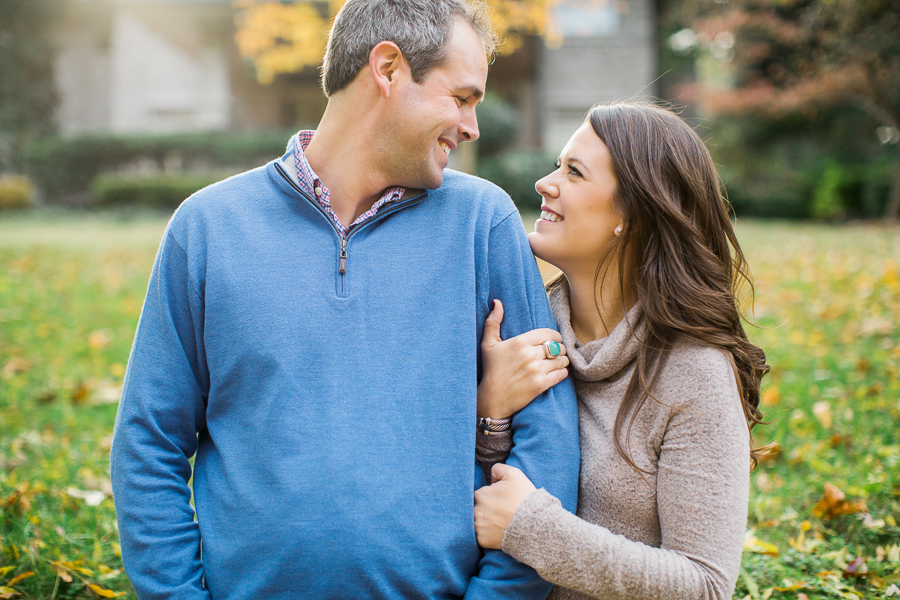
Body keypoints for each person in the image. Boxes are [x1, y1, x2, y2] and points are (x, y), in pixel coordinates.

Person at [109, 1, 580, 598]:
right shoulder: (207, 227)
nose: (472, 126)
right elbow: (149, 441)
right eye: (461, 98)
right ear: (387, 69)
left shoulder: (482, 222)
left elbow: (550, 438)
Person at [472, 102, 769, 600]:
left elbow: (705, 585)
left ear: (631, 214)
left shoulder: (692, 371)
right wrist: (490, 413)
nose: (545, 183)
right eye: (556, 165)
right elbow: (481, 506)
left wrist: (535, 529)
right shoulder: (523, 332)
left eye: (574, 172)